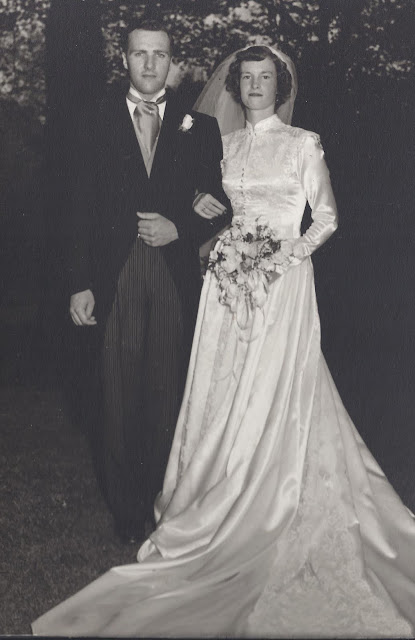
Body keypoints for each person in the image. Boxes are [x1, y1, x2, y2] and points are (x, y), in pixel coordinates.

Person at [32, 45, 415, 637]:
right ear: (235, 86)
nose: (256, 86)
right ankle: (217, 498)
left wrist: (276, 261)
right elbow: (210, 208)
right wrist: (204, 218)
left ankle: (271, 499)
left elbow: (327, 218)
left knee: (272, 391)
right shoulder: (223, 145)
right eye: (247, 78)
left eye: (266, 77)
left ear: (281, 85)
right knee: (222, 391)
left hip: (281, 285)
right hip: (225, 285)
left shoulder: (303, 144)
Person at [67, 18, 231, 543]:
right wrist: (79, 281)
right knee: (116, 395)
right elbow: (75, 207)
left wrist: (180, 227)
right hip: (113, 273)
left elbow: (221, 203)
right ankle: (126, 512)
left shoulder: (199, 126)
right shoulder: (93, 119)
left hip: (172, 273)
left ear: (172, 62)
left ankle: (160, 501)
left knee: (166, 392)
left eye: (160, 54)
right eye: (140, 53)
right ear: (125, 60)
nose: (150, 63)